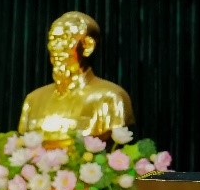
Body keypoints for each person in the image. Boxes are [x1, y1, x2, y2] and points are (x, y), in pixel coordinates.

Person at [18, 11, 134, 143]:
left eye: (64, 38)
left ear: (88, 46)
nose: (55, 47)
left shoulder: (110, 97)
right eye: (52, 39)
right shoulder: (33, 100)